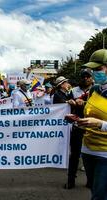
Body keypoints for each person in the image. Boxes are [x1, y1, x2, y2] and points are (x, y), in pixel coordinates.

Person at [76, 49, 107, 199]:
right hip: (88, 150)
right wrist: (79, 121)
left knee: (100, 196)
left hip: (105, 153)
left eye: (98, 69)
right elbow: (90, 115)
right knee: (95, 192)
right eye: (92, 69)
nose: (94, 73)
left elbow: (98, 121)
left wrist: (101, 124)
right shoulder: (93, 90)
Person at [64, 69, 93, 189]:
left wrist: (84, 102)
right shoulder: (73, 91)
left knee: (90, 156)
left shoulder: (97, 89)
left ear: (92, 77)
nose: (85, 78)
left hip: (93, 128)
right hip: (77, 127)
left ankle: (91, 181)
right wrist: (68, 102)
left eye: (88, 76)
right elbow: (64, 106)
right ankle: (71, 181)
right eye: (83, 76)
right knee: (74, 155)